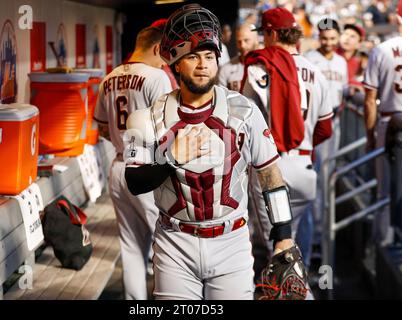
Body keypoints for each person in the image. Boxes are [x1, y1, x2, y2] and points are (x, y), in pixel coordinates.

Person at [124, 4, 307, 300]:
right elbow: (134, 181)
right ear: (175, 62)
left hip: (231, 240)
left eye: (209, 56)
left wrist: (283, 234)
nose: (202, 64)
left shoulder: (244, 111)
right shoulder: (146, 117)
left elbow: (270, 175)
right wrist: (171, 159)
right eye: (192, 56)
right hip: (175, 241)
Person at [241, 8, 332, 270]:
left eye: (264, 34)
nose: (262, 40)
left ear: (271, 33)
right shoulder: (316, 71)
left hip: (271, 169)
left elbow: (245, 126)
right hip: (304, 167)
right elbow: (325, 129)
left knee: (278, 253)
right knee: (293, 248)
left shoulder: (258, 68)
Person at [93, 24, 172, 300]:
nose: (167, 60)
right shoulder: (157, 76)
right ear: (156, 48)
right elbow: (168, 130)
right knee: (168, 245)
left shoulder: (109, 77)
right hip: (147, 169)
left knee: (131, 247)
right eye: (165, 53)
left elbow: (102, 128)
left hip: (118, 166)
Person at [304, 19, 348, 257]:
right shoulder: (310, 58)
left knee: (328, 178)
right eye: (325, 38)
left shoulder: (341, 61)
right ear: (318, 36)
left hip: (336, 123)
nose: (329, 43)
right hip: (316, 126)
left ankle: (322, 235)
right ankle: (317, 236)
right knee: (318, 180)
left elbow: (342, 91)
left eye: (332, 38)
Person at [363, 0, 402, 245]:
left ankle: (384, 247)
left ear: (397, 19)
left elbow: (369, 100)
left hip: (388, 122)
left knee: (385, 191)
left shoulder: (382, 49)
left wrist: (370, 137)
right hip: (392, 121)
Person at [217, 23, 258, 92]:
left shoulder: (265, 66)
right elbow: (221, 99)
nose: (242, 45)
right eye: (239, 41)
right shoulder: (226, 69)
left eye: (246, 40)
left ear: (256, 40)